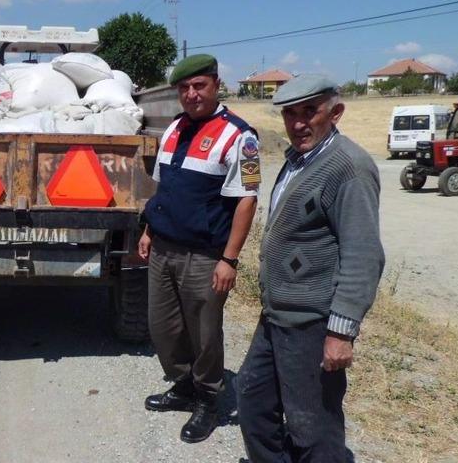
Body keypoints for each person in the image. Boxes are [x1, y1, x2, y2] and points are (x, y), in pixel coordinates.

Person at [236, 74, 385, 462]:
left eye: (310, 111)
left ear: (335, 113)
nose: (298, 123)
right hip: (277, 315)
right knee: (252, 401)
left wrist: (341, 332)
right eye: (290, 113)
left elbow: (363, 254)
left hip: (312, 323)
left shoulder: (348, 167)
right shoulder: (299, 160)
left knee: (313, 427)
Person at [139, 54, 260, 443]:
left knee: (205, 332)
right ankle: (183, 384)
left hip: (205, 255)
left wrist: (229, 259)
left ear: (216, 85)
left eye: (199, 86)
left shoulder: (240, 136)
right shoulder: (175, 128)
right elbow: (164, 188)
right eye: (184, 88)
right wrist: (149, 229)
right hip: (163, 247)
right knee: (164, 327)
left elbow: (247, 200)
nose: (191, 94)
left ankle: (208, 398)